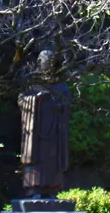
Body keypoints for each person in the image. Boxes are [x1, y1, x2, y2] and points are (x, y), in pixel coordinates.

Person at [19, 50, 71, 198]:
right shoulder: (31, 83)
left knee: (53, 159)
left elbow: (68, 102)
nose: (49, 65)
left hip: (54, 130)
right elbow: (21, 100)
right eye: (46, 62)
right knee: (36, 159)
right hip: (36, 130)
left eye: (51, 62)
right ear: (39, 62)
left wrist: (60, 107)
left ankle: (52, 190)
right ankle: (34, 190)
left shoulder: (60, 84)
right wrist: (35, 100)